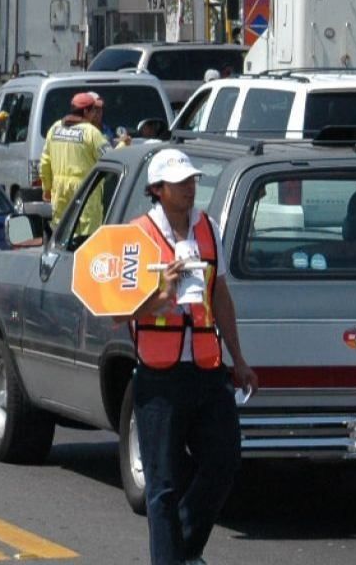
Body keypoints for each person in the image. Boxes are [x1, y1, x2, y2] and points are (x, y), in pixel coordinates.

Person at [130, 148, 258, 565]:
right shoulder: (138, 236)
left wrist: (238, 359)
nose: (190, 188)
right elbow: (119, 311)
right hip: (159, 375)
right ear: (158, 189)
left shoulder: (209, 229)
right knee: (162, 486)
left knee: (224, 461)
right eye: (180, 182)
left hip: (206, 367)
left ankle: (181, 550)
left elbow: (220, 295)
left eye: (192, 180)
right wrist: (159, 295)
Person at [39, 91, 108, 225]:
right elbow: (110, 158)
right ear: (86, 111)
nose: (95, 114)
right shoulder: (91, 132)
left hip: (59, 193)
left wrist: (46, 188)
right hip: (85, 193)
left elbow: (44, 163)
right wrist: (123, 144)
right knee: (85, 238)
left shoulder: (55, 129)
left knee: (61, 233)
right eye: (93, 110)